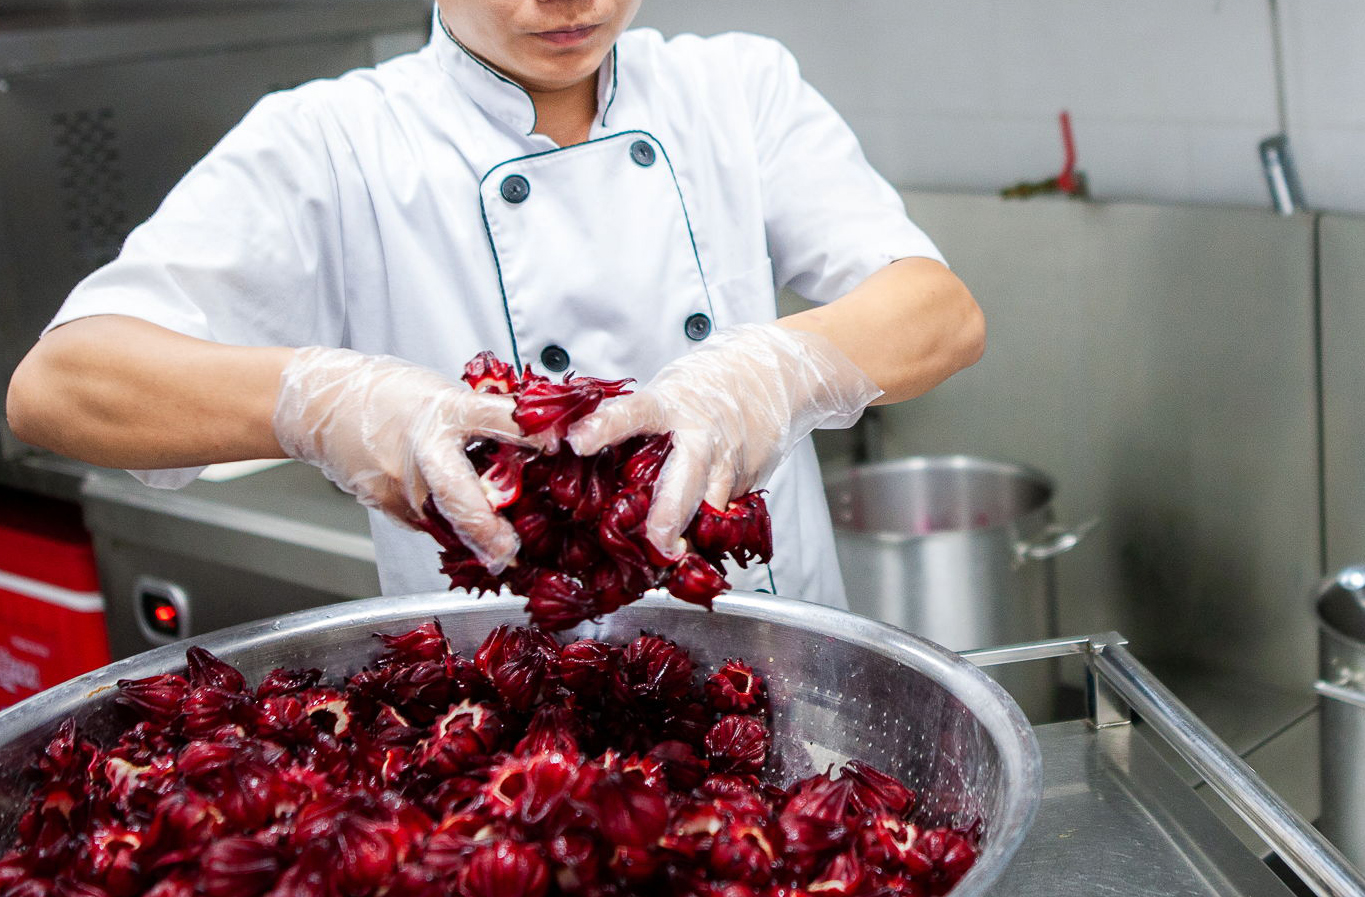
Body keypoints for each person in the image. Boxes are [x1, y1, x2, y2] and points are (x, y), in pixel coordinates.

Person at [4, 0, 984, 607]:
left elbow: (938, 313)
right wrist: (325, 401)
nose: (570, 1)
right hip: (504, 753)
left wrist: (770, 373)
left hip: (779, 691)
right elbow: (61, 385)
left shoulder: (737, 90)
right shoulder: (333, 144)